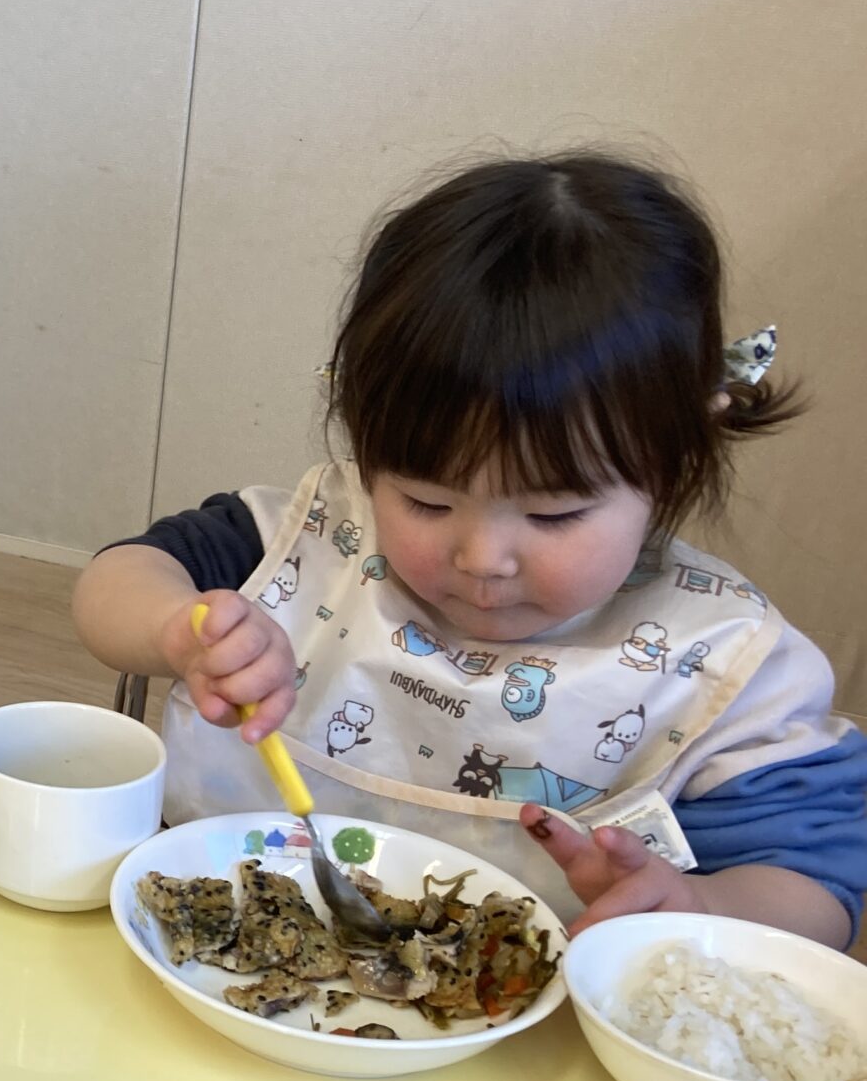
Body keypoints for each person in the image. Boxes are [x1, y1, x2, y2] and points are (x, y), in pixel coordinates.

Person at [74, 152, 865, 946]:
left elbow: (817, 886)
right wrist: (177, 629)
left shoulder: (722, 664)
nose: (483, 557)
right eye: (427, 501)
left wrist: (703, 912)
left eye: (554, 514)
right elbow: (119, 579)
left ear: (672, 464)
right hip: (210, 961)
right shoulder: (309, 543)